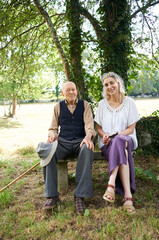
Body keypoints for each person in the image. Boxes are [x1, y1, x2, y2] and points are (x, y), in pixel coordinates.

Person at [42, 81, 96, 214]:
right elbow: (52, 128)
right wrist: (52, 135)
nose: (71, 92)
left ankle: (80, 196)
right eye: (68, 90)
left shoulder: (85, 105)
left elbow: (90, 126)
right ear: (62, 93)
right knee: (49, 152)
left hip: (80, 141)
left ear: (76, 91)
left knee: (88, 149)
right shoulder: (57, 107)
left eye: (73, 89)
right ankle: (52, 196)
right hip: (63, 142)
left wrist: (88, 137)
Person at [94, 72, 140, 214]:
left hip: (127, 139)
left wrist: (116, 136)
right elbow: (99, 128)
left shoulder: (129, 102)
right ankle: (127, 196)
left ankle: (111, 183)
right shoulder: (102, 104)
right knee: (122, 151)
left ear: (118, 83)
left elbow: (131, 129)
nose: (109, 86)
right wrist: (105, 136)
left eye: (112, 83)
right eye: (106, 85)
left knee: (120, 140)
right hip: (107, 144)